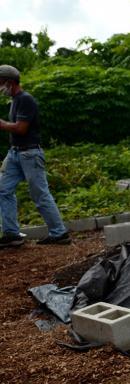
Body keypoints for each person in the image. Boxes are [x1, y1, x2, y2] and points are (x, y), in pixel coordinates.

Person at [0, 64, 70, 247]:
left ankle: (59, 233)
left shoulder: (25, 100)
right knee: (3, 189)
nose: (0, 88)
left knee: (40, 194)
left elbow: (21, 128)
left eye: (0, 83)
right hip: (15, 152)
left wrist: (2, 124)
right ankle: (11, 234)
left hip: (30, 153)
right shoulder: (15, 100)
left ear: (10, 82)